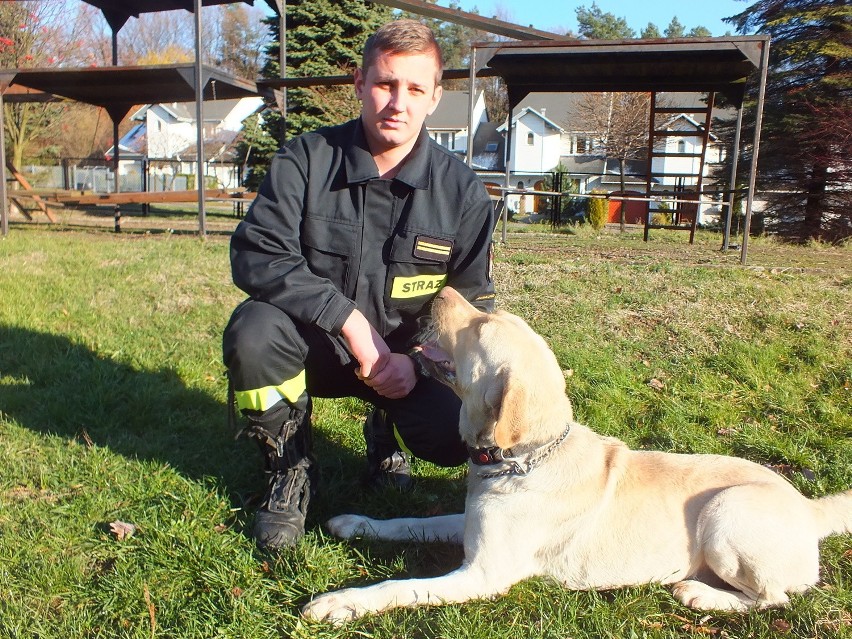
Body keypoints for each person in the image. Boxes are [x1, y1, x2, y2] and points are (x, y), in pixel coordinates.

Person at [223, 18, 496, 550]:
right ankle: (289, 468)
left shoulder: (462, 192)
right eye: (385, 84)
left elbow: (473, 305)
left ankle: (384, 429)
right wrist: (348, 321)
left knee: (452, 435)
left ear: (435, 97)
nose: (398, 102)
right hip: (316, 347)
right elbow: (257, 252)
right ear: (359, 84)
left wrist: (415, 364)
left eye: (415, 88)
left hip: (402, 361)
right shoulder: (305, 159)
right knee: (253, 334)